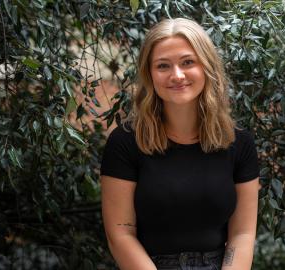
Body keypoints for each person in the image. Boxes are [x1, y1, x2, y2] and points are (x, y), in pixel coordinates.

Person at [100, 18, 260, 270]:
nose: (177, 75)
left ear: (206, 67)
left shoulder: (239, 143)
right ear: (149, 74)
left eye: (188, 62)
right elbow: (121, 234)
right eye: (163, 65)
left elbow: (242, 234)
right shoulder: (125, 143)